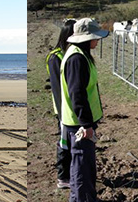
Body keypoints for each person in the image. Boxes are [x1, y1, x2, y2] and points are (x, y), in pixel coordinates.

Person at [60, 18, 108, 202]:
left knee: (83, 166)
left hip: (78, 122)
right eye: (95, 37)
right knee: (81, 168)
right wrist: (86, 124)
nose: (98, 40)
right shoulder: (77, 58)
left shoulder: (79, 54)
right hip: (78, 125)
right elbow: (77, 94)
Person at [48, 19, 77, 189]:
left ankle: (72, 171)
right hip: (64, 109)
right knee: (64, 141)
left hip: (73, 108)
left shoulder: (71, 53)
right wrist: (62, 113)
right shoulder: (56, 57)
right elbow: (57, 89)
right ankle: (63, 176)